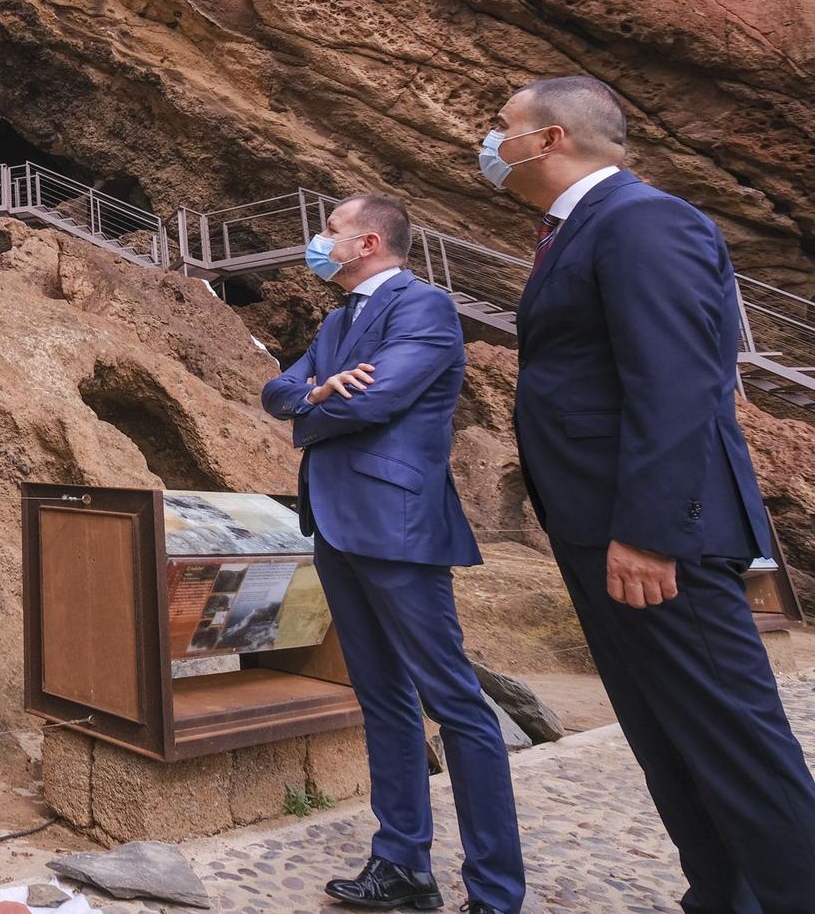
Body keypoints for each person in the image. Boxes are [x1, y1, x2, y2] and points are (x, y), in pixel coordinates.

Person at [485, 75, 815, 914]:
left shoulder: (642, 220)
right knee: (669, 737)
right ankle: (722, 894)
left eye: (501, 127)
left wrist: (650, 531)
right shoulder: (576, 231)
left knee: (736, 742)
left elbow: (676, 384)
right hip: (604, 534)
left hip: (654, 540)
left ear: (552, 138)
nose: (489, 142)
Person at [261, 194, 522, 914]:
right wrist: (314, 387)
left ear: (368, 241)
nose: (319, 242)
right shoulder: (338, 320)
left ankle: (496, 891)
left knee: (456, 704)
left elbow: (374, 403)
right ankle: (402, 867)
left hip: (398, 527)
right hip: (337, 524)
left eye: (330, 231)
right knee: (382, 700)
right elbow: (275, 392)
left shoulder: (423, 307)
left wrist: (311, 401)